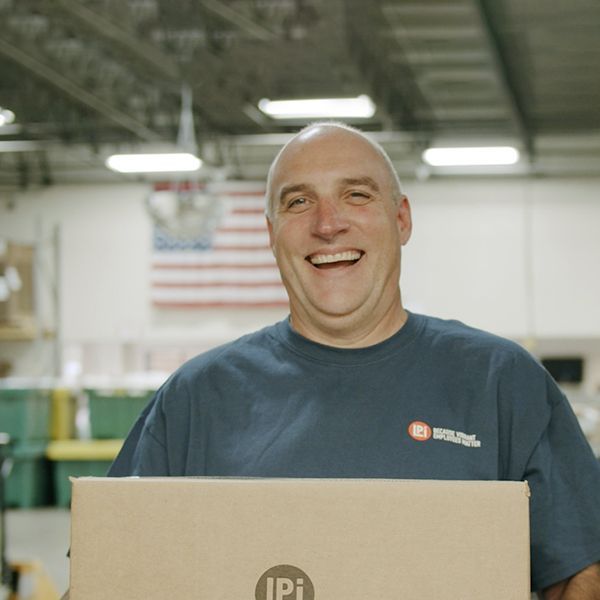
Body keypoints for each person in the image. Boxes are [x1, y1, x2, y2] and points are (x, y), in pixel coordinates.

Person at [102, 122, 600, 598]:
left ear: (401, 218)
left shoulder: (502, 383)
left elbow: (581, 570)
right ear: (271, 233)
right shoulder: (196, 398)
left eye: (356, 195)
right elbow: (111, 570)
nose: (327, 224)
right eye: (299, 202)